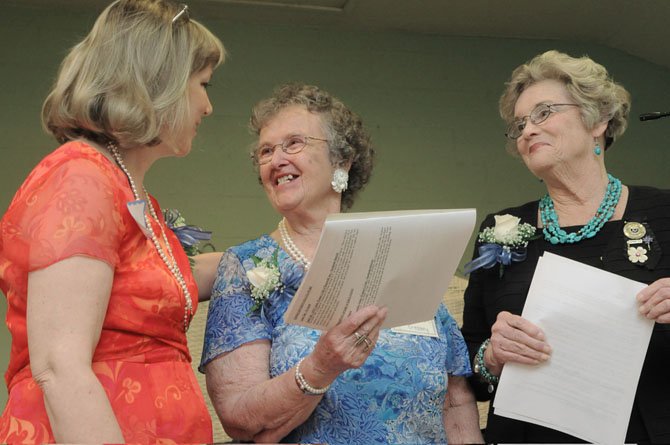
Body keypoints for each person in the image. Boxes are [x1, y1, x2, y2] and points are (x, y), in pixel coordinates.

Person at [200, 83, 483, 444]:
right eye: (266, 151)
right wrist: (320, 367)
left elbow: (455, 400)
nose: (276, 159)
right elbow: (239, 417)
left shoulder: (403, 250)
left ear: (342, 161)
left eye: (294, 143)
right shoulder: (246, 267)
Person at [0, 1, 225, 443]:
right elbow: (58, 365)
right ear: (158, 84)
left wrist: (274, 257)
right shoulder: (81, 178)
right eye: (202, 85)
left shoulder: (121, 186)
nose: (209, 106)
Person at [461, 50, 670, 444]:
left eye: (543, 113)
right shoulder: (500, 229)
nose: (526, 131)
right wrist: (492, 356)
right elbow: (467, 365)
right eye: (519, 124)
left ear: (598, 120)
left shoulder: (665, 212)